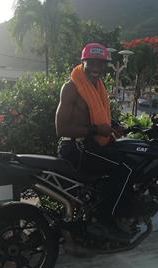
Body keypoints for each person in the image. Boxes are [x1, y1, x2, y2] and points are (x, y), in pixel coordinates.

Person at [55, 43, 133, 241]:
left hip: (91, 145)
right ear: (83, 63)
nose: (97, 67)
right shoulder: (71, 88)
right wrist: (97, 130)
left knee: (131, 156)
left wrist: (113, 125)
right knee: (125, 168)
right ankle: (105, 220)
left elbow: (98, 117)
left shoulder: (97, 87)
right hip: (76, 148)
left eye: (101, 63)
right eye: (92, 62)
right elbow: (61, 129)